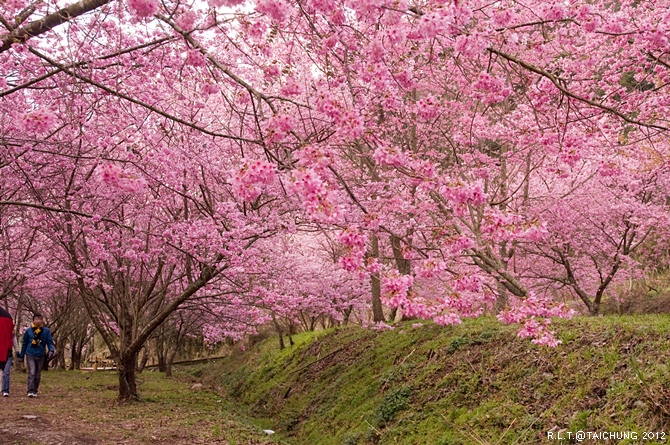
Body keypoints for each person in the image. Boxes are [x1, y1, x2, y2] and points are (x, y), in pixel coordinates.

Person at [17, 313, 54, 398]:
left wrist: (51, 350)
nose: (38, 321)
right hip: (30, 354)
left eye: (40, 319)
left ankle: (35, 390)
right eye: (36, 319)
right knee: (32, 372)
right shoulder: (28, 331)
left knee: (37, 374)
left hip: (41, 354)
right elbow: (24, 343)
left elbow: (49, 342)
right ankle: (30, 390)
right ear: (33, 320)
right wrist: (21, 356)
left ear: (42, 321)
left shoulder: (46, 331)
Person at [0, 307, 14, 396]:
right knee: (2, 370)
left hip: (5, 349)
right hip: (4, 349)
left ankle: (5, 389)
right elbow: (10, 335)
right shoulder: (7, 316)